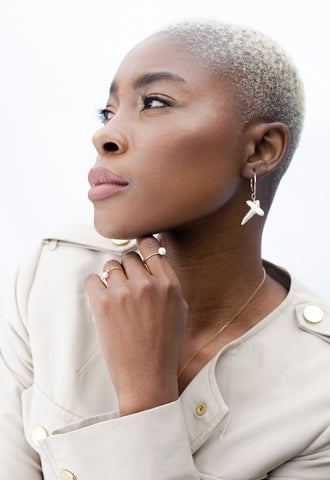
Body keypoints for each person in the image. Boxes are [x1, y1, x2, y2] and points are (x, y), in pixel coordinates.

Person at [1, 20, 329, 480]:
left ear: (260, 149)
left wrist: (145, 398)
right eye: (107, 111)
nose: (106, 136)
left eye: (154, 103)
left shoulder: (321, 391)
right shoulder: (52, 276)